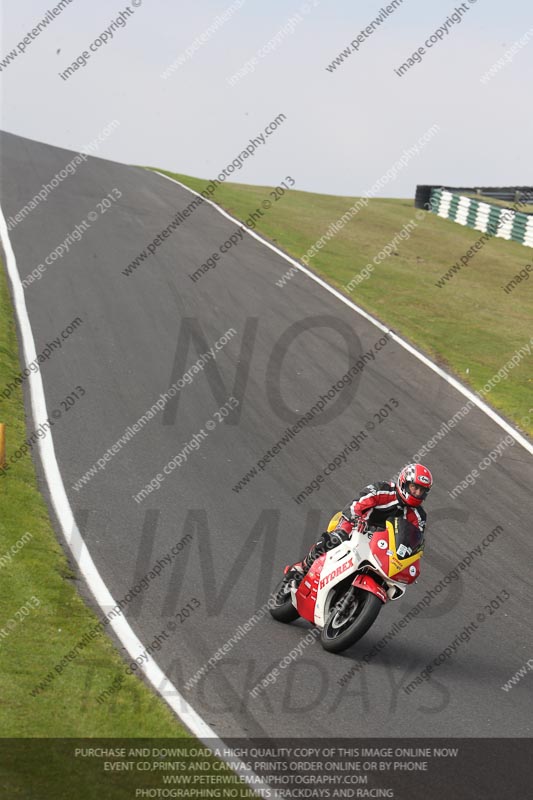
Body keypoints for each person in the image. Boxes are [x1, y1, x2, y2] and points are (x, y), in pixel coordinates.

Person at [291, 463, 433, 576]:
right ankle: (303, 567)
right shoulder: (381, 489)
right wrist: (358, 519)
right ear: (404, 483)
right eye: (414, 487)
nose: (417, 493)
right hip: (358, 526)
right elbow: (355, 505)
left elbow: (414, 540)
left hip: (382, 545)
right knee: (337, 538)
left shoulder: (419, 516)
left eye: (422, 490)